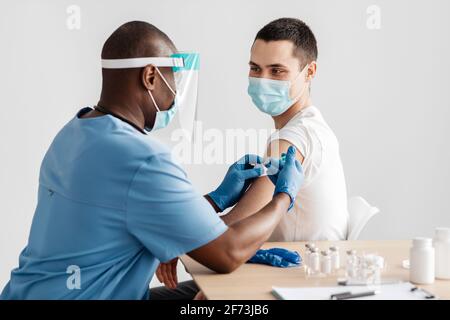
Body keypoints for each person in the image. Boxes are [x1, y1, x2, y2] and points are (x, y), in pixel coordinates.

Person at [0, 21, 303, 300]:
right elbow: (228, 254)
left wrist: (216, 199)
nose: (175, 94)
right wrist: (283, 196)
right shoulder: (142, 158)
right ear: (150, 77)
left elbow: (135, 210)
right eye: (172, 79)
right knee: (231, 301)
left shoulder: (75, 131)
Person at [229, 18, 349, 241]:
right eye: (255, 68)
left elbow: (235, 228)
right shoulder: (309, 126)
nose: (263, 80)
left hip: (298, 271)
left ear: (310, 71)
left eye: (276, 71)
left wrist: (178, 243)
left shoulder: (294, 139)